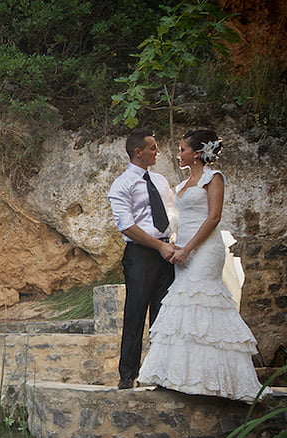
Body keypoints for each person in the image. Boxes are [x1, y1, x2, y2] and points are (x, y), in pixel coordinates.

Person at [138, 129, 270, 403]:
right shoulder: (183, 185)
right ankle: (181, 377)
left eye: (183, 149)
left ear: (197, 153)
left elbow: (213, 218)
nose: (179, 154)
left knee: (205, 301)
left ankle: (218, 380)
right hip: (182, 250)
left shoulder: (214, 178)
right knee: (183, 304)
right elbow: (180, 218)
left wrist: (189, 249)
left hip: (205, 250)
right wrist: (174, 245)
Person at [107, 129, 177, 389]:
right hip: (140, 254)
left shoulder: (160, 180)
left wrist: (172, 242)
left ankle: (160, 374)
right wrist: (158, 246)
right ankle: (127, 376)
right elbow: (126, 225)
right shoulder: (122, 184)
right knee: (136, 313)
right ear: (138, 152)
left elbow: (171, 213)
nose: (157, 152)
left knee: (163, 314)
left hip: (166, 253)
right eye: (153, 148)